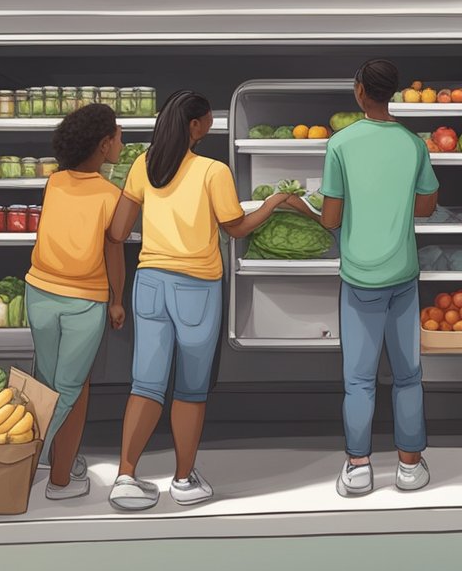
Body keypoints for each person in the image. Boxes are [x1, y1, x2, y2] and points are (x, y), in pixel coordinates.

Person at [107, 91, 287, 510]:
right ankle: (184, 481)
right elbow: (236, 228)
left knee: (146, 383)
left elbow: (117, 230)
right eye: (206, 119)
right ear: (195, 126)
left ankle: (125, 476)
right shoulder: (212, 171)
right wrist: (275, 204)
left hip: (148, 283)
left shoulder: (143, 164)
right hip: (196, 287)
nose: (209, 124)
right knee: (189, 388)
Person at [292, 59, 440, 498]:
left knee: (359, 378)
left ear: (359, 92)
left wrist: (303, 207)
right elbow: (428, 206)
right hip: (403, 275)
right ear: (392, 93)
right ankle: (410, 467)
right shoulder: (414, 145)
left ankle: (358, 467)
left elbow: (331, 218)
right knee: (409, 374)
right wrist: (393, 204)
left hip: (359, 277)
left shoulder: (341, 143)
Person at [24, 104, 126, 500]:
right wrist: (117, 300)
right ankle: (41, 468)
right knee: (67, 389)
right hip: (84, 301)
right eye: (117, 136)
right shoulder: (111, 196)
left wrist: (115, 299)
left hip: (39, 294)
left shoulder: (55, 182)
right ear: (103, 146)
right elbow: (114, 248)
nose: (121, 141)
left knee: (56, 383)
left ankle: (62, 463)